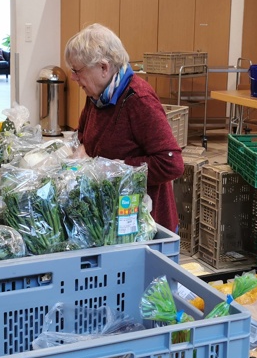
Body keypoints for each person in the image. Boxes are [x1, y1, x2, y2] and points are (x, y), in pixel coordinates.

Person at [64, 23, 185, 232]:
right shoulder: (97, 96)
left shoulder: (139, 100)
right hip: (112, 214)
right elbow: (83, 133)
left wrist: (114, 168)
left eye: (77, 71)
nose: (73, 78)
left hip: (145, 221)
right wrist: (81, 151)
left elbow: (171, 163)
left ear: (103, 67)